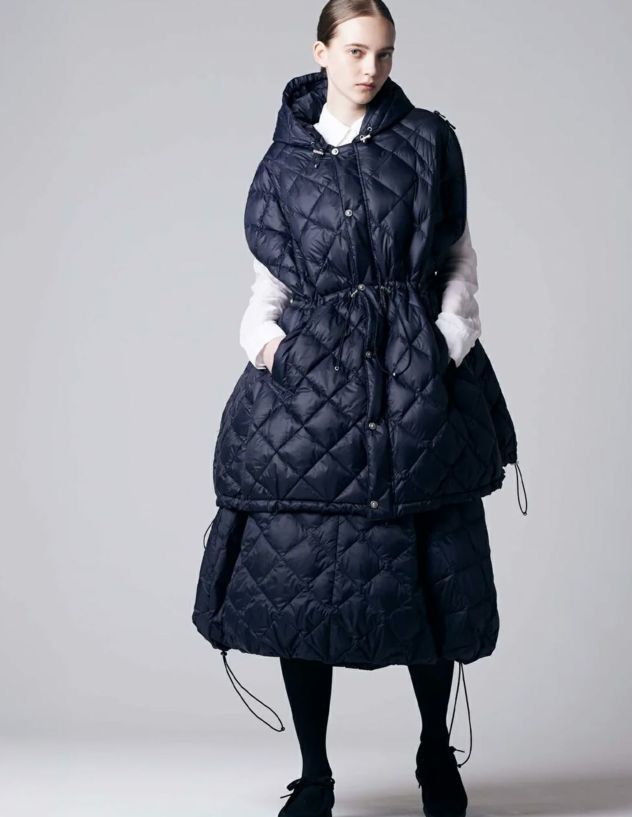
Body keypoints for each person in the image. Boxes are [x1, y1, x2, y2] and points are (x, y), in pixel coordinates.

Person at [193, 2, 528, 816]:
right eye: (354, 51)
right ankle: (315, 774)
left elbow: (458, 260)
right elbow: (267, 289)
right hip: (308, 397)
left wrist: (445, 343)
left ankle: (435, 752)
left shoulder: (430, 141)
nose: (371, 68)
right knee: (300, 584)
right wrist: (272, 350)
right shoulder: (282, 165)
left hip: (416, 388)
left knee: (428, 574)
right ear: (320, 52)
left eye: (383, 53)